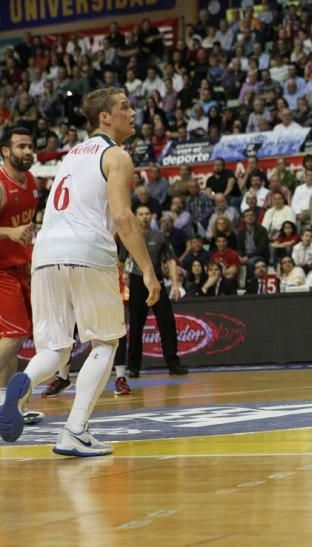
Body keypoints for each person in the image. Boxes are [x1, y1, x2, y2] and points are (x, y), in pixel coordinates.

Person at [1, 88, 161, 456]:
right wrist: (149, 272)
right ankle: (74, 430)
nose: (133, 112)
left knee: (56, 347)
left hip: (44, 253)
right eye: (125, 107)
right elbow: (122, 217)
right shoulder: (115, 155)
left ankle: (24, 381)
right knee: (106, 341)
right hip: (87, 249)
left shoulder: (71, 155)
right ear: (104, 117)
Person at [0, 127, 44, 427]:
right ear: (5, 151)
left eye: (30, 146)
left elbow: (27, 228)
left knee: (13, 338)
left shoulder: (32, 182)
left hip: (22, 267)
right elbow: (14, 230)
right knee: (14, 336)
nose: (28, 151)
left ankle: (9, 407)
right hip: (1, 270)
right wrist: (9, 232)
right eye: (21, 147)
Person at [123, 204, 187, 381]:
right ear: (135, 216)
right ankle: (133, 367)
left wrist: (175, 284)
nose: (144, 217)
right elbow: (120, 262)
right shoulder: (128, 236)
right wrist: (120, 285)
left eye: (147, 213)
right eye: (141, 214)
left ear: (151, 216)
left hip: (156, 281)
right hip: (136, 281)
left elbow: (171, 261)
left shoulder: (160, 236)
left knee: (167, 321)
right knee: (136, 324)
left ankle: (173, 364)